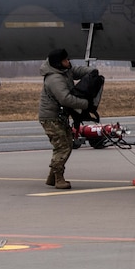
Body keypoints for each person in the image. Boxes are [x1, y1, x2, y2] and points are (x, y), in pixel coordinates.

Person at [38, 47, 95, 189]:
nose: (68, 62)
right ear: (58, 63)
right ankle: (58, 179)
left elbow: (76, 71)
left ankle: (52, 177)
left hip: (58, 117)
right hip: (51, 118)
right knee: (63, 147)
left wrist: (92, 72)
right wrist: (85, 104)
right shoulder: (55, 79)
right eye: (65, 60)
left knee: (66, 144)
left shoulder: (64, 70)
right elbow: (65, 99)